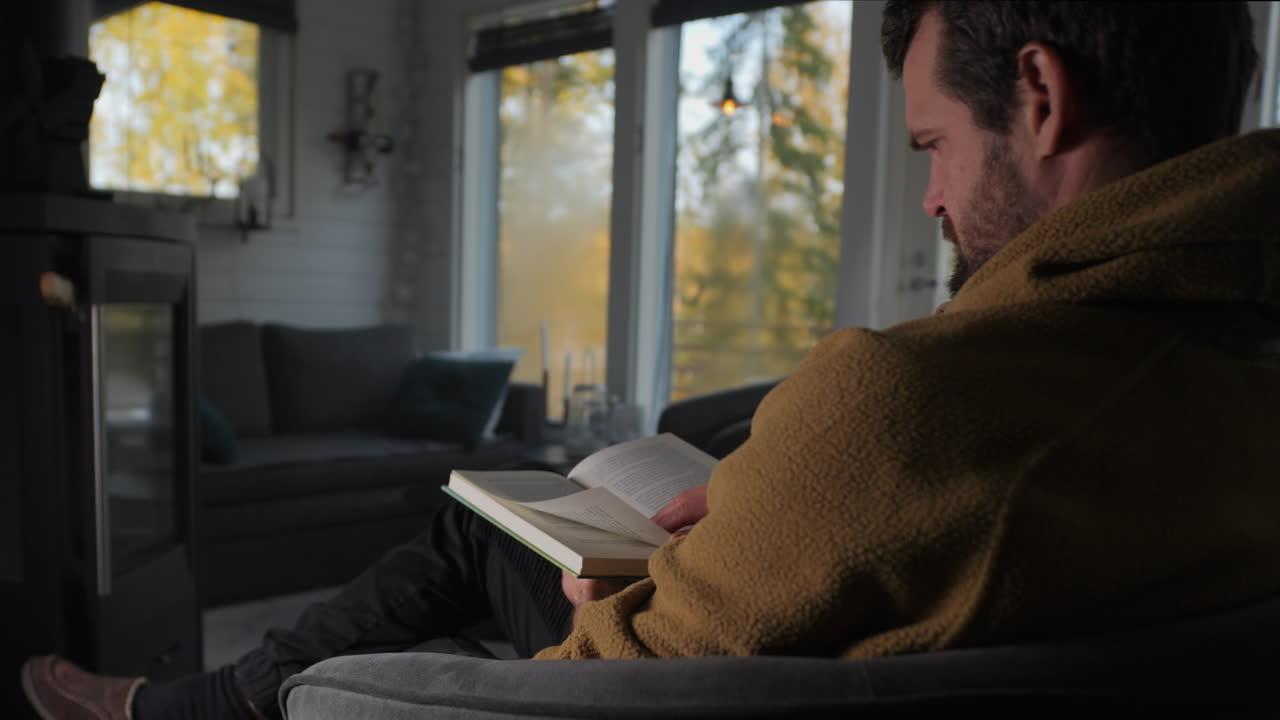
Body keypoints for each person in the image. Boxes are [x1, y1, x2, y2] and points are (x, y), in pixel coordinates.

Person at [23, 1, 1280, 717]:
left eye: (929, 145)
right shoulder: (1232, 360)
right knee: (505, 502)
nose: (936, 202)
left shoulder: (904, 399)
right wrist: (772, 504)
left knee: (484, 520)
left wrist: (609, 590)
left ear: (1040, 97)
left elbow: (604, 683)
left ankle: (194, 709)